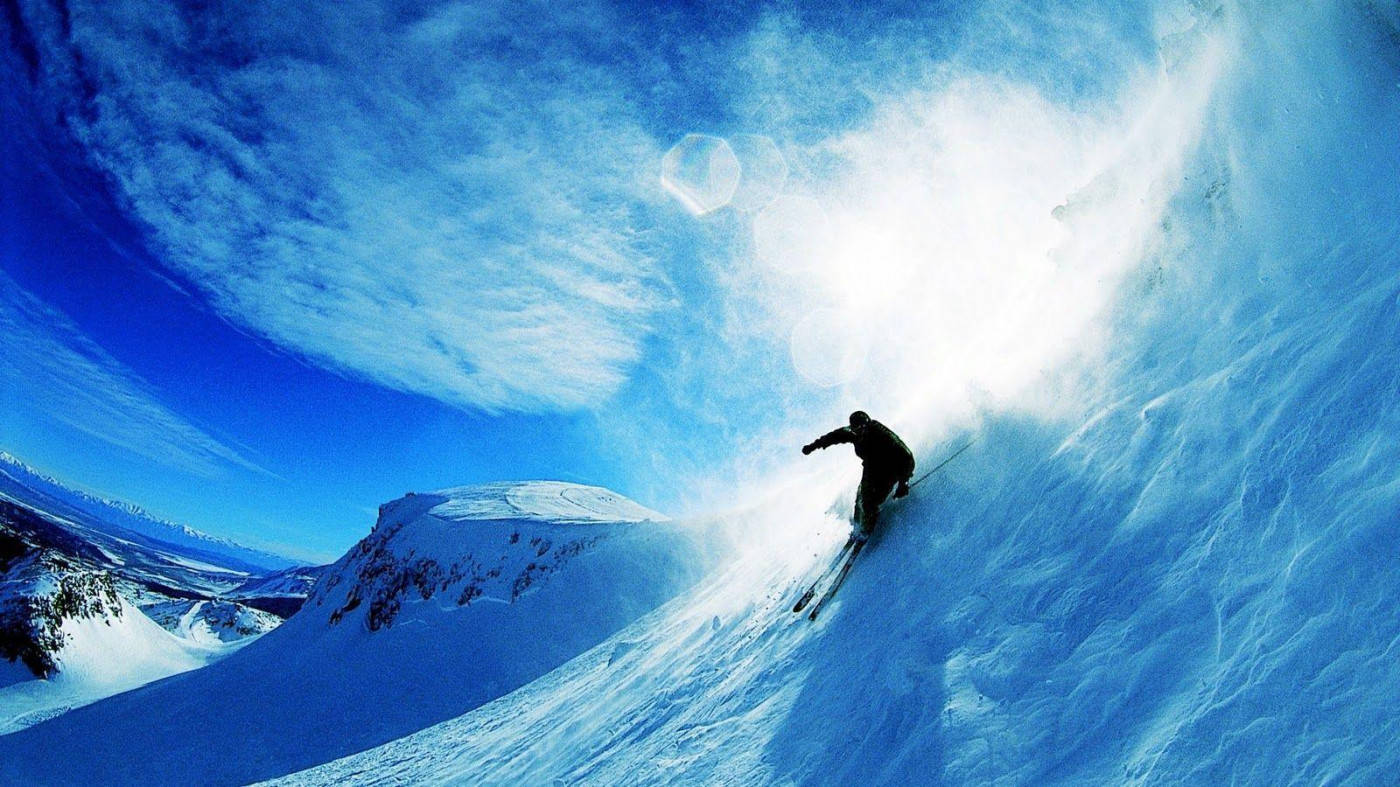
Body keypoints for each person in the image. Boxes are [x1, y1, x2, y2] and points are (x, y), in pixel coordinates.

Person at [802, 411, 916, 541]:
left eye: (862, 428)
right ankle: (858, 526)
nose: (859, 432)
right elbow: (833, 437)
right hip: (871, 468)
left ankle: (867, 528)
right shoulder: (852, 434)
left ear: (867, 425)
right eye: (856, 429)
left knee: (869, 501)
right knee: (860, 495)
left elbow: (907, 456)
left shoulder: (881, 433)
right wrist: (813, 446)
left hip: (890, 469)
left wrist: (904, 482)